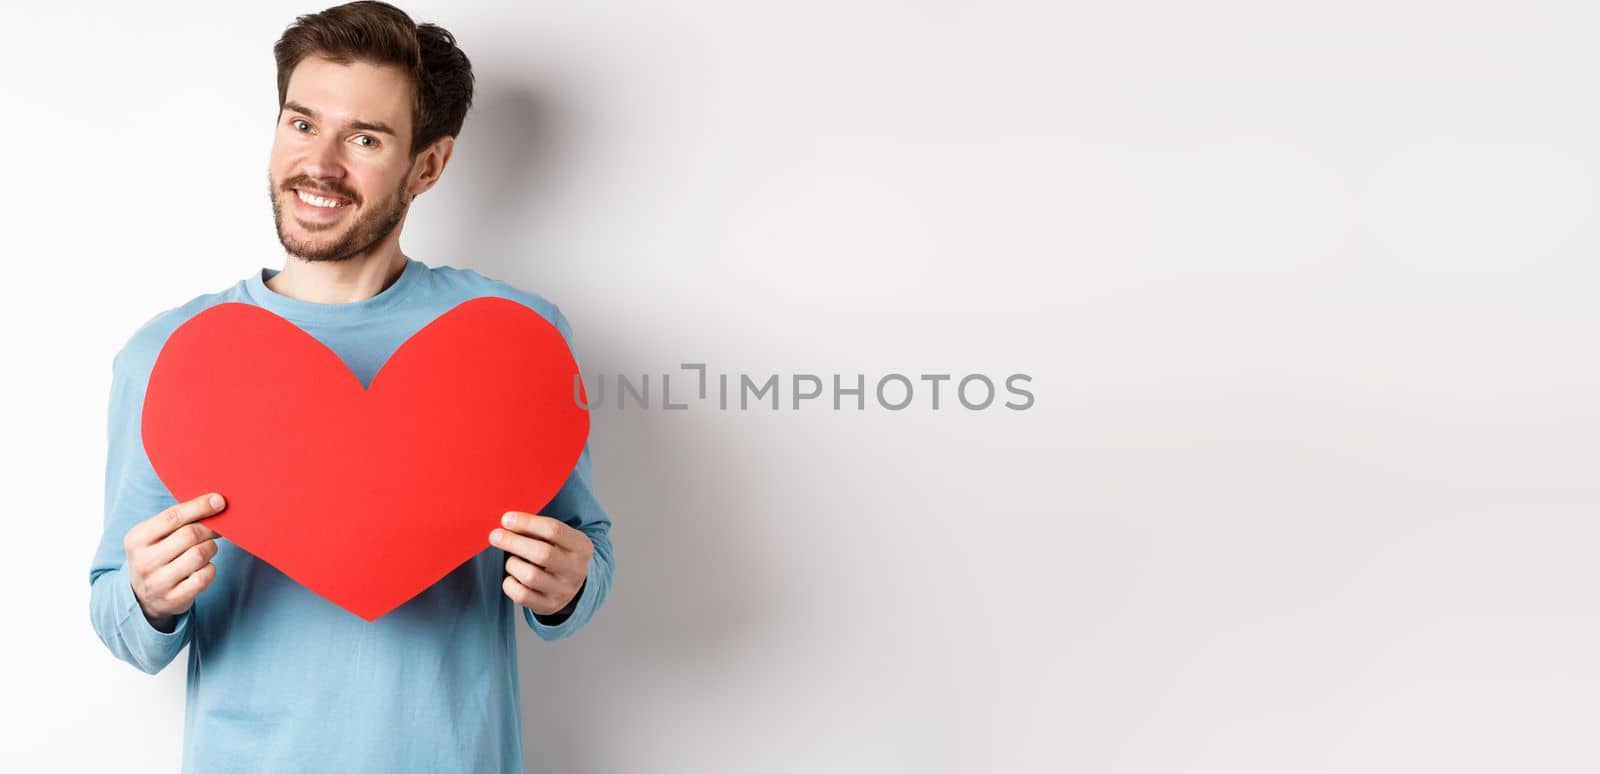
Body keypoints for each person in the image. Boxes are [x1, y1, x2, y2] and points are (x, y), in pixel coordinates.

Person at [85, 3, 615, 771]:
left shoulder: (516, 342)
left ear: (427, 166)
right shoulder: (171, 355)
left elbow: (586, 556)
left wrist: (567, 586)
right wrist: (149, 596)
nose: (320, 164)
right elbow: (116, 613)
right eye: (302, 124)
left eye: (364, 138)